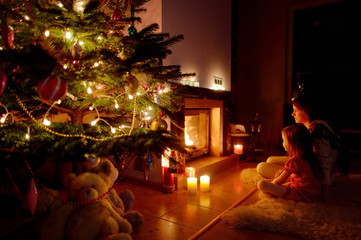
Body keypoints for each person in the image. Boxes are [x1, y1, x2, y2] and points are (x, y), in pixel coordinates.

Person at [257, 94, 345, 200]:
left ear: (307, 110)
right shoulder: (309, 127)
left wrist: (326, 196)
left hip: (312, 175)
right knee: (270, 160)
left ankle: (290, 178)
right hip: (305, 164)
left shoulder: (319, 133)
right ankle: (289, 176)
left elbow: (325, 167)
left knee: (262, 167)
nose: (292, 113)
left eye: (296, 110)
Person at [257, 124, 322, 201]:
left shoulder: (295, 161)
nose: (282, 143)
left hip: (301, 194)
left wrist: (271, 185)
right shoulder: (310, 156)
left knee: (261, 184)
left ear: (292, 143)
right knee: (273, 179)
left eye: (284, 140)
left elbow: (278, 181)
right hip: (314, 194)